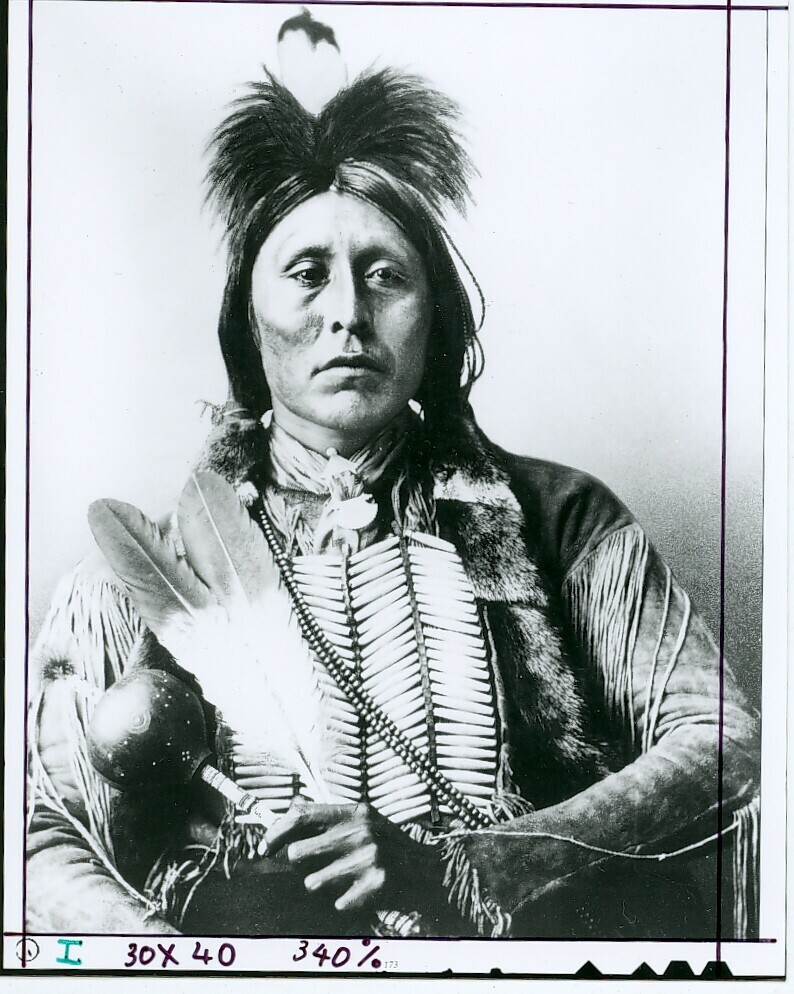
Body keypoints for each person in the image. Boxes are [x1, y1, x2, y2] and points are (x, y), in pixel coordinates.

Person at [27, 26, 759, 940]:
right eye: (307, 275)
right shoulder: (137, 575)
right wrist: (177, 967)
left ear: (434, 318)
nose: (348, 313)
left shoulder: (561, 521)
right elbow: (43, 839)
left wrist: (475, 866)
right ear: (248, 321)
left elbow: (726, 747)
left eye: (385, 277)